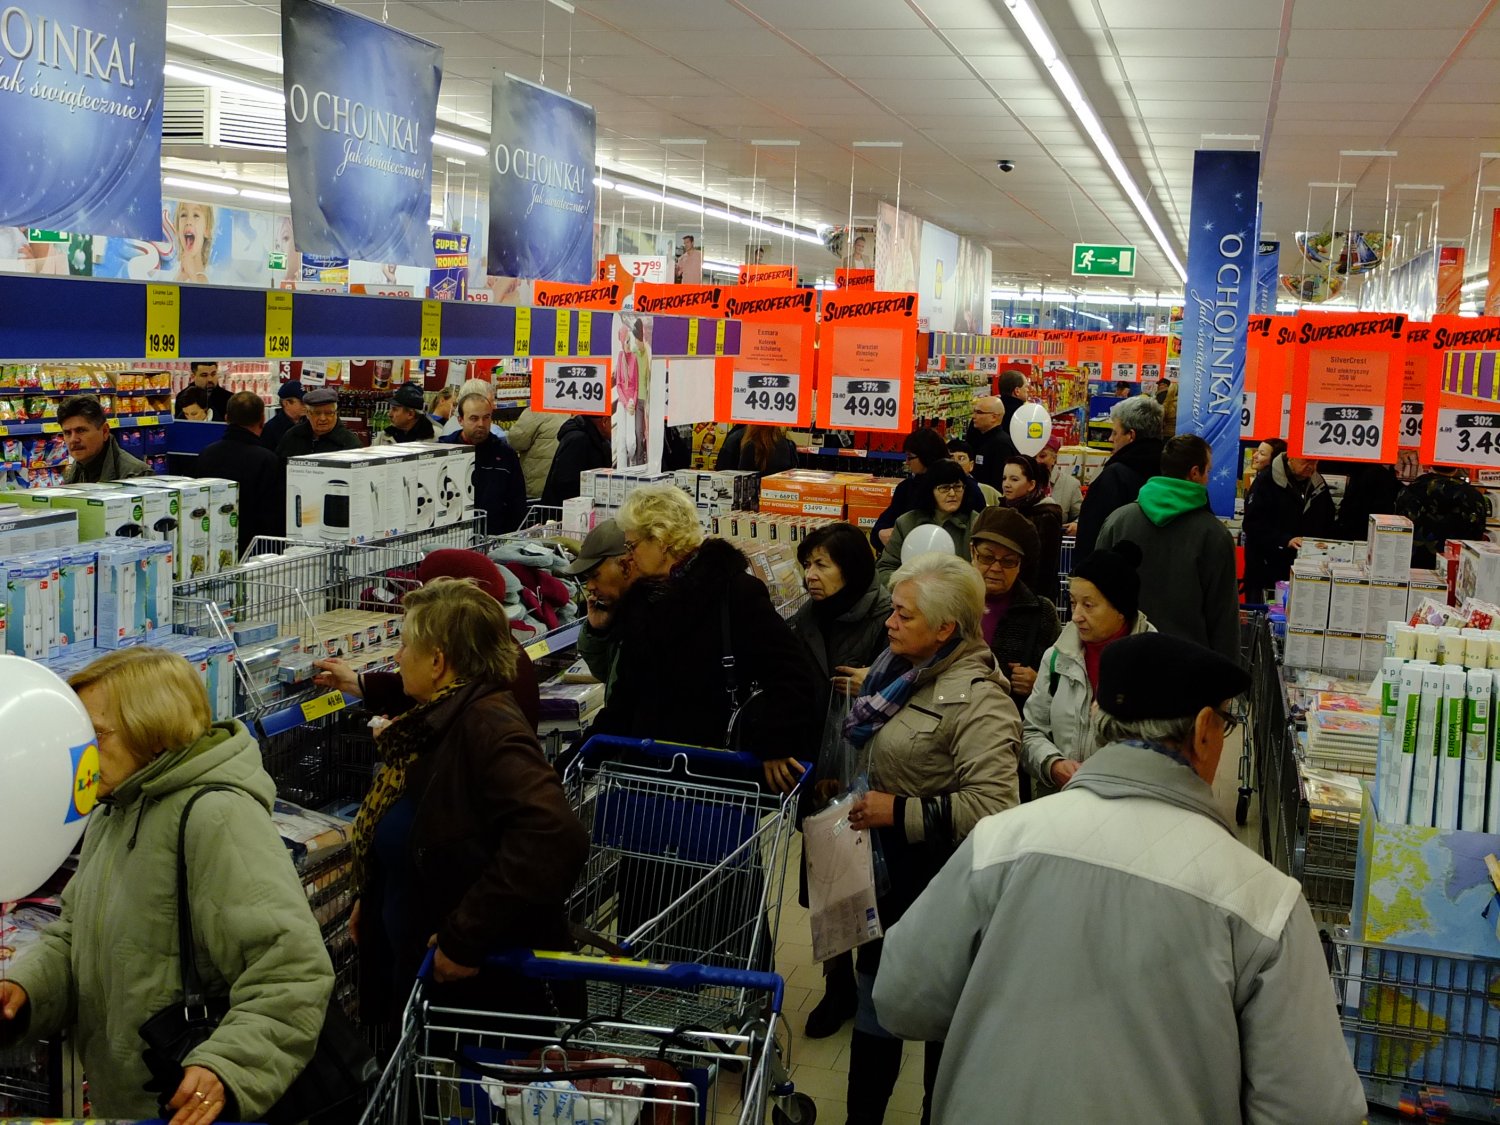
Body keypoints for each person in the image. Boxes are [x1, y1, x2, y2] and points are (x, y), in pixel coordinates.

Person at [873, 632, 1366, 1125]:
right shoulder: (1261, 903)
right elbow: (1313, 1108)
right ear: (1202, 731)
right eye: (1226, 724)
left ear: (1096, 718)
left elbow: (899, 998)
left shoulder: (1000, 842)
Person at [0, 647, 333, 1121]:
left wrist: (226, 1067)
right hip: (134, 1100)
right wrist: (25, 991)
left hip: (184, 1106)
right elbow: (77, 932)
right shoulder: (116, 807)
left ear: (152, 731)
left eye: (95, 734)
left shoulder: (216, 817)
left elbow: (291, 971)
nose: (79, 751)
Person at [337, 579, 588, 1027]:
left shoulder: (488, 727)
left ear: (437, 661)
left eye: (406, 644)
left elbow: (554, 834)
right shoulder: (437, 719)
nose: (397, 656)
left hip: (479, 1000)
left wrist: (466, 936)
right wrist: (373, 895)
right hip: (419, 977)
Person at [840, 552, 1022, 1125]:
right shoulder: (897, 671)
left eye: (903, 615)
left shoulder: (980, 698)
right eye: (892, 611)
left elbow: (996, 805)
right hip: (885, 881)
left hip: (939, 888)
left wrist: (899, 810)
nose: (889, 623)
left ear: (946, 629)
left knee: (940, 1023)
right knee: (873, 1015)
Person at [588, 485, 820, 793]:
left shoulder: (734, 593)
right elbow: (626, 697)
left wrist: (775, 744)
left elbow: (793, 674)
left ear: (660, 540)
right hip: (649, 776)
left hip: (718, 779)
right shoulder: (643, 602)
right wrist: (581, 757)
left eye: (632, 546)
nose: (627, 558)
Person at [785, 522, 892, 1040]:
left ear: (852, 569)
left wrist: (872, 677)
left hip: (872, 768)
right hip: (818, 767)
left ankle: (874, 984)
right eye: (808, 564)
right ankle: (836, 985)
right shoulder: (805, 618)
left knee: (868, 878)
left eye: (823, 564)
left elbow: (916, 674)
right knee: (824, 879)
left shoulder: (885, 616)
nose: (811, 575)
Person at [314, 549, 541, 730]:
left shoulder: (473, 727)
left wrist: (401, 743)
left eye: (406, 645)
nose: (398, 656)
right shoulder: (496, 654)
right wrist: (357, 682)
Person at [1023, 542, 1154, 796]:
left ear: (1121, 609)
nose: (1076, 615)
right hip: (1061, 804)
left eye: (1089, 605)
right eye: (1073, 603)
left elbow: (1167, 752)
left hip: (1124, 808)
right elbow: (1031, 731)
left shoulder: (1154, 664)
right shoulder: (1056, 659)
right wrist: (1052, 764)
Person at [1096, 434, 1239, 663]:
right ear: (1195, 472)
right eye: (1208, 471)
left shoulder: (1117, 521)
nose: (1208, 478)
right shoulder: (1215, 535)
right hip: (1189, 669)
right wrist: (1226, 680)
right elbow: (1223, 616)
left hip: (1124, 664)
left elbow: (1095, 598)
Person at [968, 507, 1059, 706]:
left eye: (1008, 561)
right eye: (987, 557)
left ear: (1021, 565)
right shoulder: (949, 600)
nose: (995, 568)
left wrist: (1039, 683)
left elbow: (1062, 679)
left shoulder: (1041, 612)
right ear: (972, 550)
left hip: (1010, 721)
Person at [194, 391, 286, 555]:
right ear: (262, 419)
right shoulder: (267, 460)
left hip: (211, 545)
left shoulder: (206, 454)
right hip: (256, 551)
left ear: (227, 418)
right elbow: (274, 515)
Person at [1073, 394, 1165, 559]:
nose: (1110, 439)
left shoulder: (1115, 476)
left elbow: (1093, 532)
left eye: (1115, 433)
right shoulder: (1172, 471)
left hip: (1116, 574)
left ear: (1131, 435)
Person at [1242, 451, 1337, 602]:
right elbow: (1252, 524)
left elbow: (1328, 518)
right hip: (1267, 567)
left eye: (1315, 462)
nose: (1311, 467)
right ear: (1291, 457)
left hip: (1306, 566)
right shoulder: (1265, 481)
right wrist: (1285, 540)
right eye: (1307, 461)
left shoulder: (1317, 482)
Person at [869, 428, 986, 548]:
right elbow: (880, 530)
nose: (907, 462)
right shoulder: (906, 489)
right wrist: (881, 533)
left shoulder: (969, 489)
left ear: (925, 456)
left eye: (910, 457)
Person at [877, 459, 983, 587]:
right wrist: (909, 590)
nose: (952, 493)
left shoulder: (976, 523)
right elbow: (885, 568)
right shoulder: (906, 523)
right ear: (930, 491)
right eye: (944, 488)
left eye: (957, 487)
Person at [441, 392, 527, 534]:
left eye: (486, 418)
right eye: (474, 419)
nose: (481, 424)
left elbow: (517, 503)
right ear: (460, 420)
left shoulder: (505, 454)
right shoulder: (444, 451)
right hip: (452, 537)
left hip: (495, 537)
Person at [568, 520, 635, 699]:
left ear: (626, 564)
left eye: (595, 575)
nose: (590, 586)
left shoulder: (650, 618)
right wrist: (597, 632)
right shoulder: (623, 612)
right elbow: (607, 676)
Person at [1396, 463, 1490, 569]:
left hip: (1412, 563)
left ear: (1429, 465)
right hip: (1456, 566)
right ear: (1457, 467)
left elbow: (1399, 526)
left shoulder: (1409, 490)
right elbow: (1477, 534)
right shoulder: (1472, 495)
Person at [998, 454, 1063, 602]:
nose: (1006, 484)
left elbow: (1045, 569)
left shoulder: (1045, 517)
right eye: (1004, 478)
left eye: (1014, 479)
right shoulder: (1003, 509)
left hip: (1031, 599)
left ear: (1031, 484)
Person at [60, 395, 151, 483]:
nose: (73, 439)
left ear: (104, 431)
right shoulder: (74, 471)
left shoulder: (137, 476)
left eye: (81, 430)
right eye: (67, 433)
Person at [541, 414, 612, 507]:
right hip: (566, 512)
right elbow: (565, 483)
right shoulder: (578, 439)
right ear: (605, 421)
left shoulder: (598, 439)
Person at [275, 387, 361, 458]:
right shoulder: (293, 436)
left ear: (336, 413)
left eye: (328, 413)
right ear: (307, 414)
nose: (323, 418)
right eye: (317, 413)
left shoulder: (349, 443)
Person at [508, 409, 564, 498]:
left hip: (537, 485)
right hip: (563, 486)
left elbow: (515, 442)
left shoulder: (536, 411)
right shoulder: (575, 410)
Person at [965, 392, 1015, 491]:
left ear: (994, 417)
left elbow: (998, 484)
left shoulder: (1001, 445)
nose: (974, 416)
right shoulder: (981, 438)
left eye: (979, 412)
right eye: (974, 412)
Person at [1035, 435, 1082, 527]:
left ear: (1054, 458)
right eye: (1033, 456)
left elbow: (1082, 515)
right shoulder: (1022, 481)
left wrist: (1076, 524)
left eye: (1042, 456)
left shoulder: (1070, 484)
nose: (1037, 461)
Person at [946, 439, 1000, 505]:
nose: (955, 462)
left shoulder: (988, 492)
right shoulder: (938, 490)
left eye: (961, 458)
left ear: (971, 465)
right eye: (950, 458)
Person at [259, 380, 306, 452]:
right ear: (286, 403)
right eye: (302, 402)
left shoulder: (310, 422)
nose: (306, 405)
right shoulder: (271, 429)